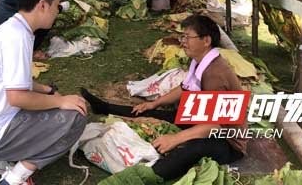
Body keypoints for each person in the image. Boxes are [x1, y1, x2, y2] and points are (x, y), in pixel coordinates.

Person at [81, 15, 246, 181]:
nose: (183, 41)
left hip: (227, 141)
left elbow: (215, 125)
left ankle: (149, 176)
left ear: (206, 40)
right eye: (183, 36)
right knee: (154, 114)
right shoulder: (200, 61)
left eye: (188, 37)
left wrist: (175, 138)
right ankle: (105, 108)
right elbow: (184, 88)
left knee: (196, 147)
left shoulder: (215, 74)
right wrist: (154, 104)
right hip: (201, 119)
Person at [0, 0, 88, 185]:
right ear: (42, 5)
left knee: (58, 105)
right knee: (76, 116)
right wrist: (60, 101)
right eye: (57, 6)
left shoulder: (14, 29)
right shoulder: (17, 37)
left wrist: (48, 91)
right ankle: (14, 178)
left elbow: (17, 82)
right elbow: (17, 97)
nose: (58, 12)